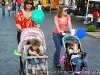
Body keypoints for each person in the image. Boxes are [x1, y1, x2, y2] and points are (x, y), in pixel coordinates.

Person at [15, 0, 40, 72]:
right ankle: (22, 65)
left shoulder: (34, 13)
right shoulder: (20, 12)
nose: (29, 5)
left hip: (32, 34)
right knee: (22, 48)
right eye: (28, 3)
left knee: (32, 48)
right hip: (22, 33)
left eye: (31, 3)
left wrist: (36, 29)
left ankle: (32, 64)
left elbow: (38, 23)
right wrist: (22, 29)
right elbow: (17, 23)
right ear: (25, 4)